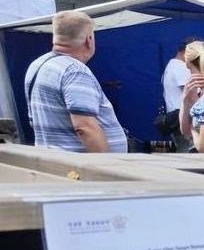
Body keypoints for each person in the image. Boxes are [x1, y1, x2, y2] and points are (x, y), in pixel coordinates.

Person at [23, 10, 126, 153]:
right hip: (79, 164)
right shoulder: (74, 71)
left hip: (53, 158)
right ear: (89, 40)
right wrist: (108, 164)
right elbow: (85, 128)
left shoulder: (37, 65)